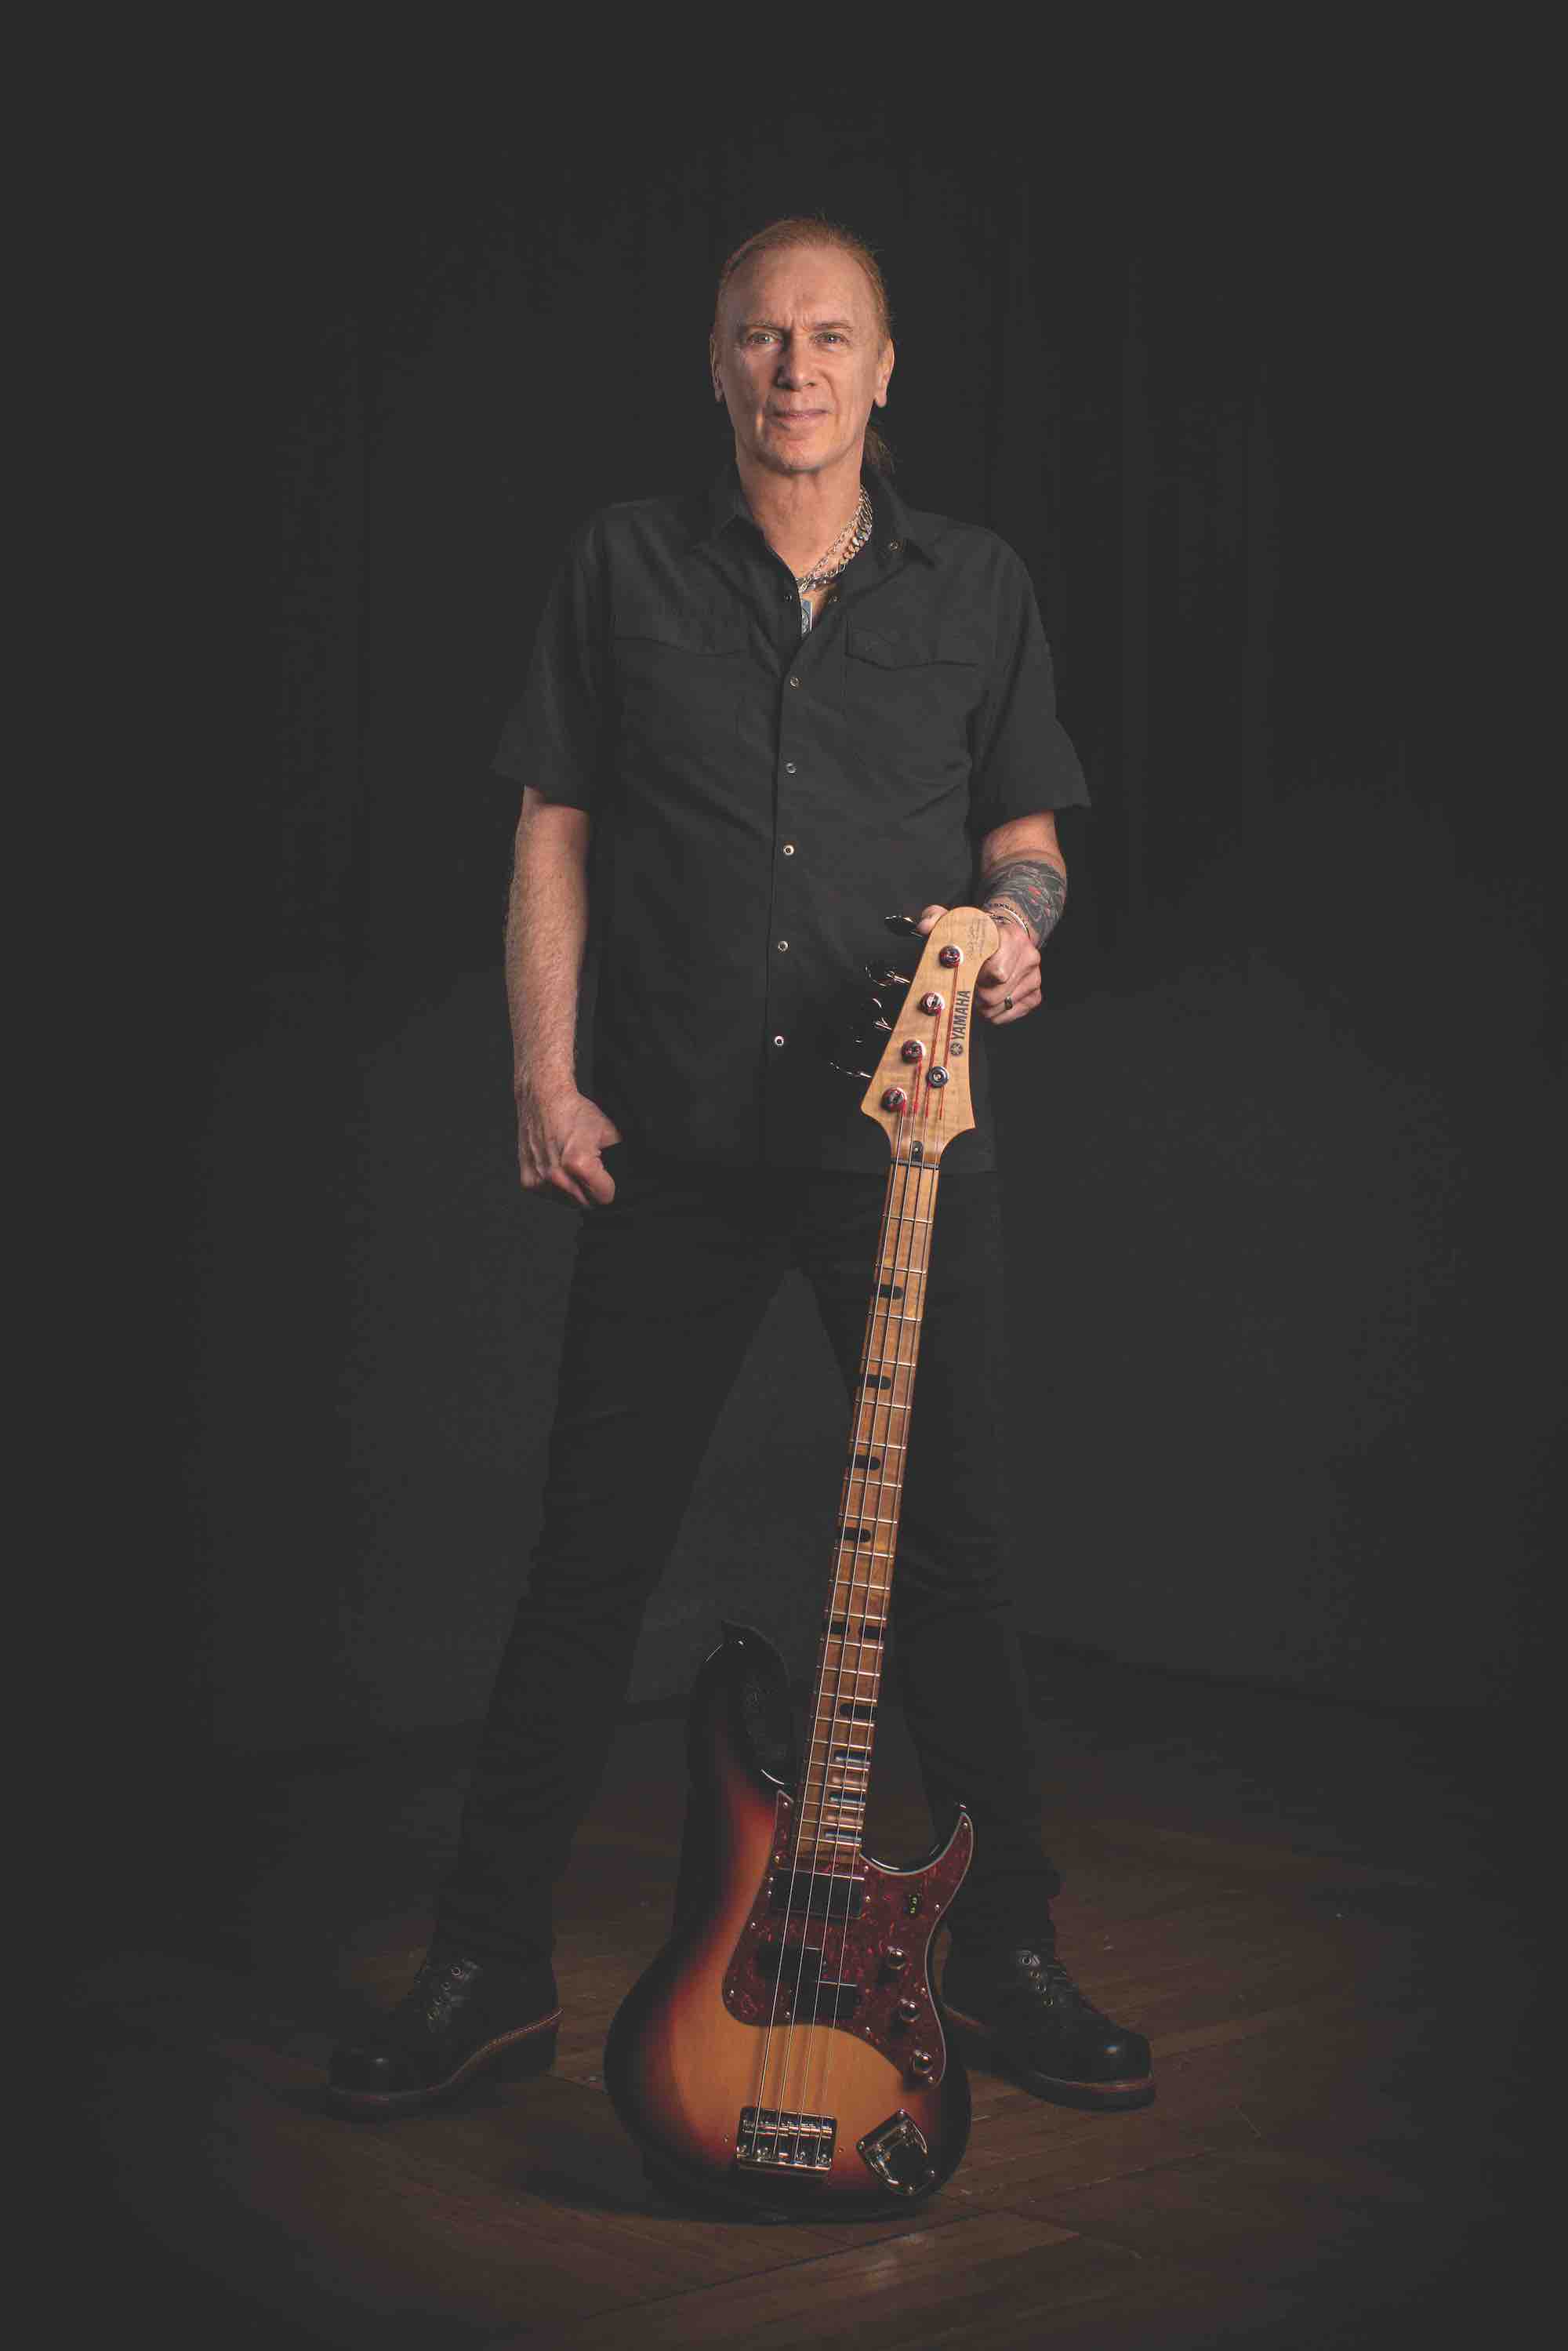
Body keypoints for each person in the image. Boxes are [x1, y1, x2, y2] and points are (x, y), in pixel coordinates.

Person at [328, 216, 1154, 2124]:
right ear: (717, 366)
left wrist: (1017, 928)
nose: (795, 367)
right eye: (762, 336)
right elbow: (554, 824)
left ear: (885, 371)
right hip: (679, 1143)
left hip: (905, 1149)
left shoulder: (979, 585)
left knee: (952, 1556)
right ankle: (487, 1968)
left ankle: (1007, 1952)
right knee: (584, 1560)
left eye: (829, 336)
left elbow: (1028, 839)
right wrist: (544, 1073)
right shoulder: (619, 566)